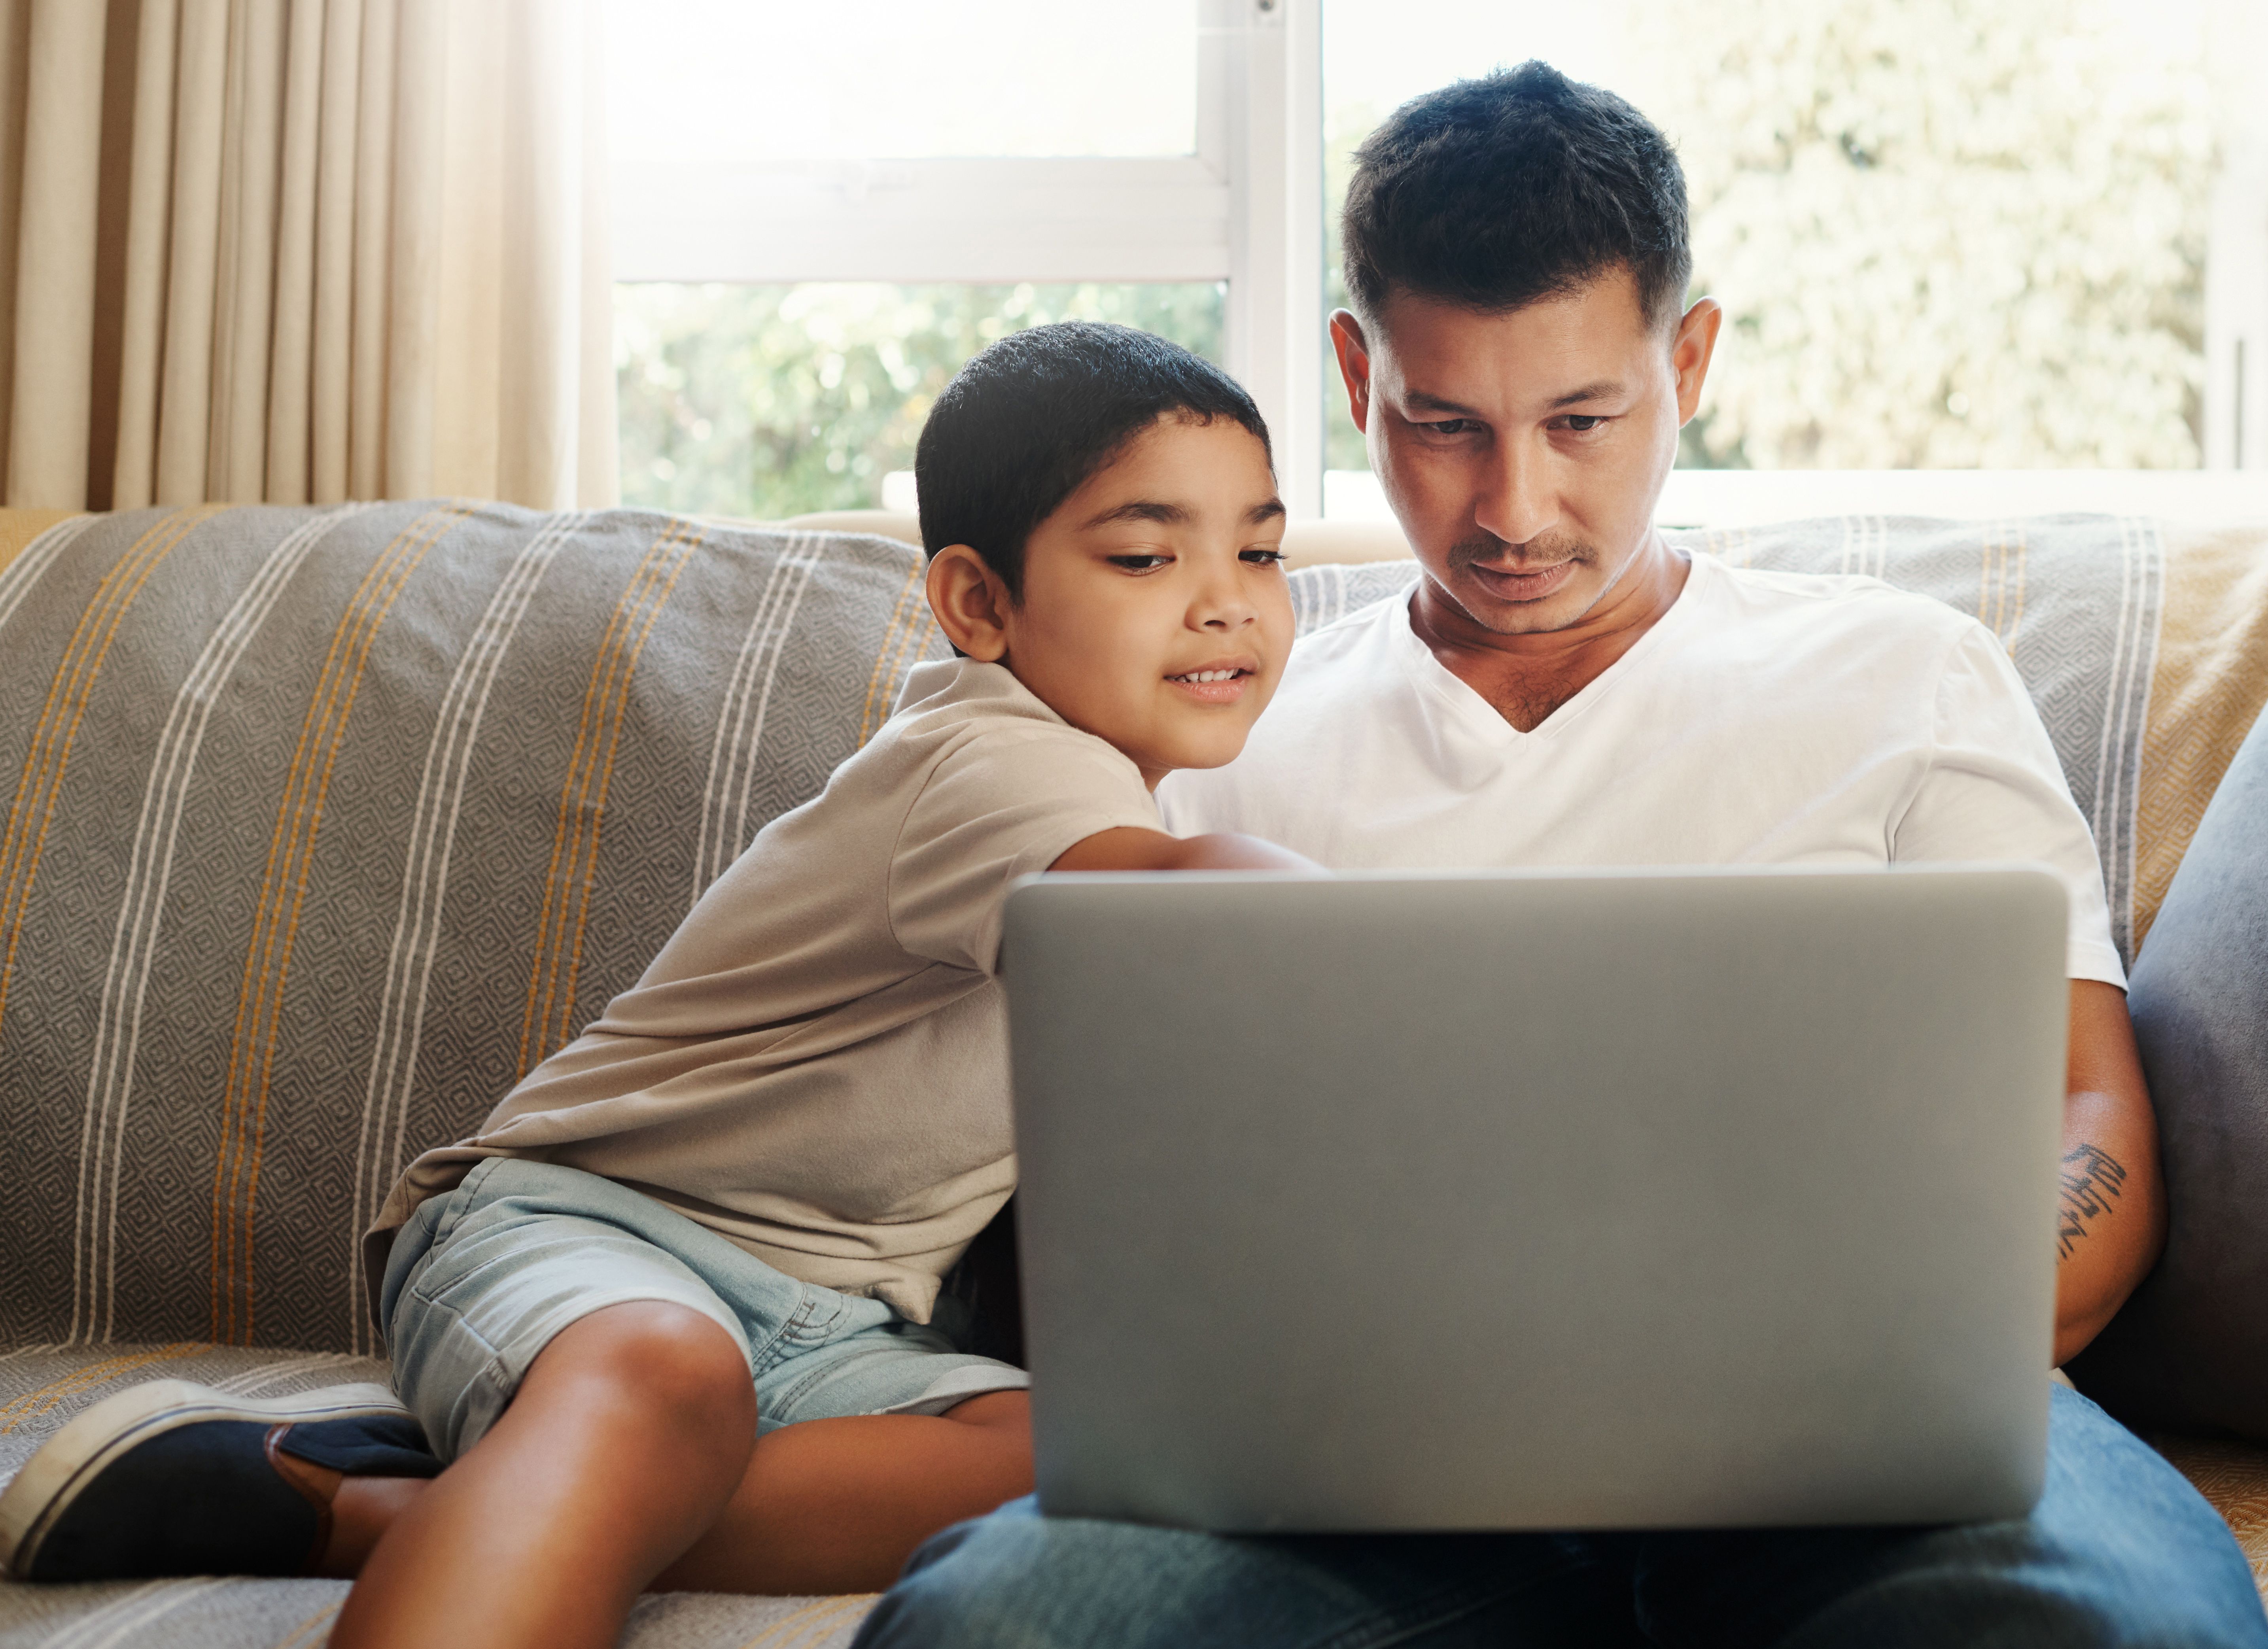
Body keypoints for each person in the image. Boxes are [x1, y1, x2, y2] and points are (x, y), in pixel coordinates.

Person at [849, 64, 2268, 1649]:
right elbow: (1076, 1201)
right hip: (1343, 1480)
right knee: (991, 1628)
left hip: (1866, 1458)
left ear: (1691, 360)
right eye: (1444, 423)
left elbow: (2093, 1110)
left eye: (1582, 421)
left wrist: (1921, 1336)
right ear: (1353, 371)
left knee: (2126, 1631)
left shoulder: (1907, 676)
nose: (1514, 507)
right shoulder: (1196, 738)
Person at [0, 321, 1312, 1649]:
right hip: (594, 1229)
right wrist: (1342, 920)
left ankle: (391, 1508)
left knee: (1112, 1463)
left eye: (1259, 550)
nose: (1227, 600)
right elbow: (1170, 910)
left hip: (830, 1318)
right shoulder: (993, 758)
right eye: (1148, 556)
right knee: (662, 1374)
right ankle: (543, 1483)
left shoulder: (1094, 778)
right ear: (978, 604)